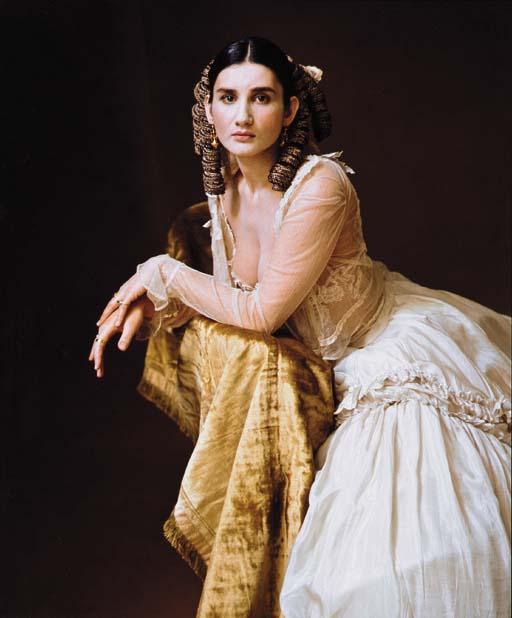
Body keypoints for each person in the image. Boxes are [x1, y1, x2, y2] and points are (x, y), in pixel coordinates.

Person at [88, 36, 511, 617]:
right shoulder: (225, 186)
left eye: (261, 98)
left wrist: (162, 273)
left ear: (289, 110)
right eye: (228, 97)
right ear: (208, 109)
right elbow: (230, 295)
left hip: (380, 353)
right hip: (316, 371)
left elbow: (262, 313)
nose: (242, 115)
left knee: (394, 551)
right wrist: (156, 306)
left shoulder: (321, 185)